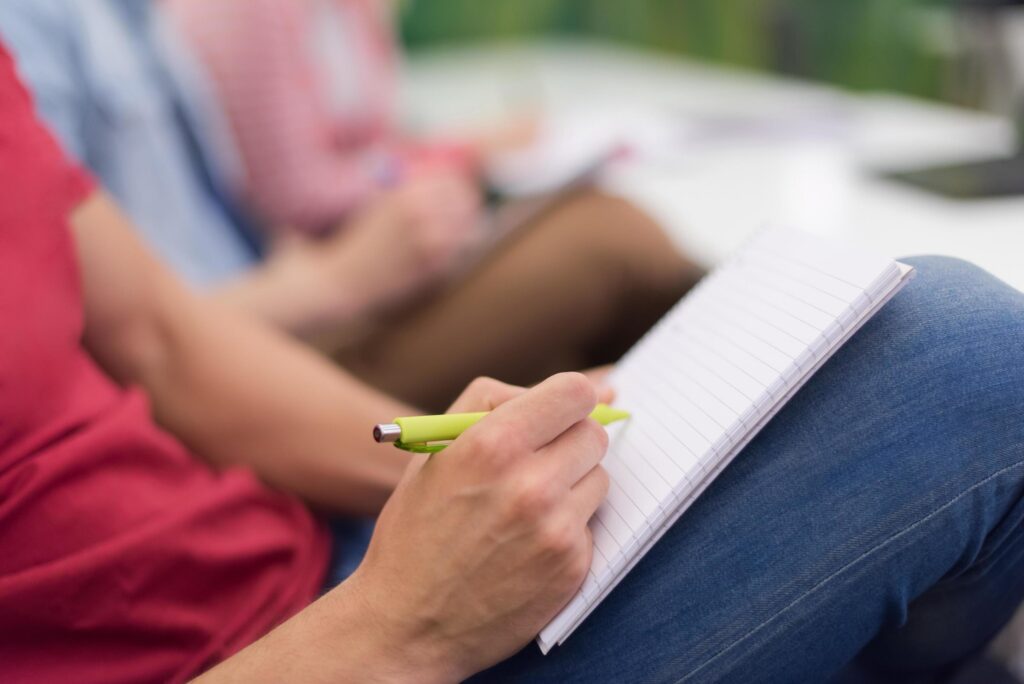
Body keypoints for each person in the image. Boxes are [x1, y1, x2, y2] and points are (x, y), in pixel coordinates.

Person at [4, 38, 1024, 684]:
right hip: (341, 650)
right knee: (961, 354)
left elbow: (165, 340)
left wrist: (436, 481)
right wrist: (403, 623)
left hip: (318, 556)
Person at [0, 0, 704, 411]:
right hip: (276, 332)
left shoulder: (136, 21)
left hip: (298, 301)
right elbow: (290, 194)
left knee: (598, 305)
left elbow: (366, 144)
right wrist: (339, 274)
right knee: (608, 240)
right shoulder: (48, 28)